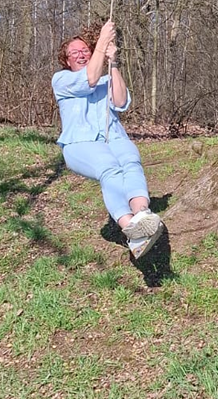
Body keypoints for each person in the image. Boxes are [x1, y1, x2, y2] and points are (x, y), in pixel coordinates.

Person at [52, 19, 163, 260]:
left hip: (113, 137)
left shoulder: (104, 79)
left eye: (85, 50)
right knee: (109, 168)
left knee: (130, 160)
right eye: (75, 52)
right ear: (67, 60)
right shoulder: (61, 80)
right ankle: (130, 229)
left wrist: (113, 63)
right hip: (80, 145)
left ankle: (143, 215)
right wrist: (102, 40)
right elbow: (89, 79)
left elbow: (121, 102)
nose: (81, 54)